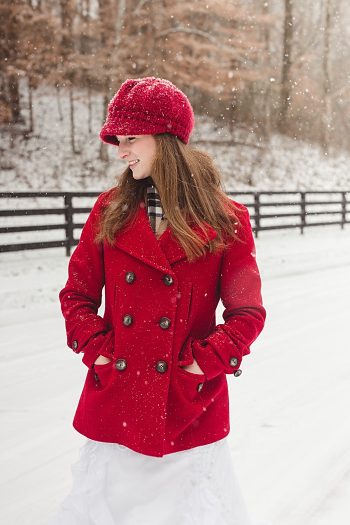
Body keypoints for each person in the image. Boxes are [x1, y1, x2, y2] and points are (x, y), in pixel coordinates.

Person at [51, 77, 267, 525]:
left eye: (131, 138)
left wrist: (204, 362)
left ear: (166, 140)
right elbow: (76, 296)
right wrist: (100, 350)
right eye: (117, 140)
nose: (120, 150)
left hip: (188, 407)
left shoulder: (226, 219)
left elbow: (247, 312)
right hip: (118, 404)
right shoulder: (109, 210)